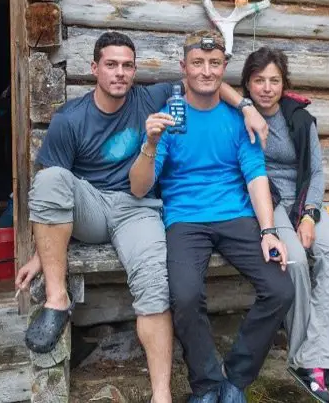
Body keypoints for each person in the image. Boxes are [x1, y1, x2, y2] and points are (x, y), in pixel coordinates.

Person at [14, 31, 268, 403]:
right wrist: (42, 252)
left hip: (137, 210)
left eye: (127, 65)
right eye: (111, 65)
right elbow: (53, 196)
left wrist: (246, 106)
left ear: (134, 71)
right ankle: (57, 300)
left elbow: (204, 81)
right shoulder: (70, 119)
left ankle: (161, 393)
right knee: (50, 178)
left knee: (154, 282)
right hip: (91, 208)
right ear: (94, 69)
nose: (120, 73)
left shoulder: (149, 97)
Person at [129, 31, 295, 403]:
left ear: (224, 68)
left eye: (215, 63)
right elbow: (139, 188)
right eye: (198, 63)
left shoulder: (240, 119)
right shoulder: (169, 118)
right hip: (185, 219)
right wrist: (151, 144)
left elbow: (256, 176)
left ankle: (234, 379)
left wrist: (268, 230)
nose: (206, 71)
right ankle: (206, 384)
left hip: (235, 215)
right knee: (184, 296)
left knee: (281, 288)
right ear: (183, 68)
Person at [240, 47, 329, 403]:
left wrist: (309, 214)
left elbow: (316, 172)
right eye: (259, 80)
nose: (267, 88)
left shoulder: (301, 120)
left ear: (284, 84)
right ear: (247, 83)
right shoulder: (238, 116)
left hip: (302, 202)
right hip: (268, 205)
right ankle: (307, 361)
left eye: (274, 80)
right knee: (296, 262)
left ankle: (314, 357)